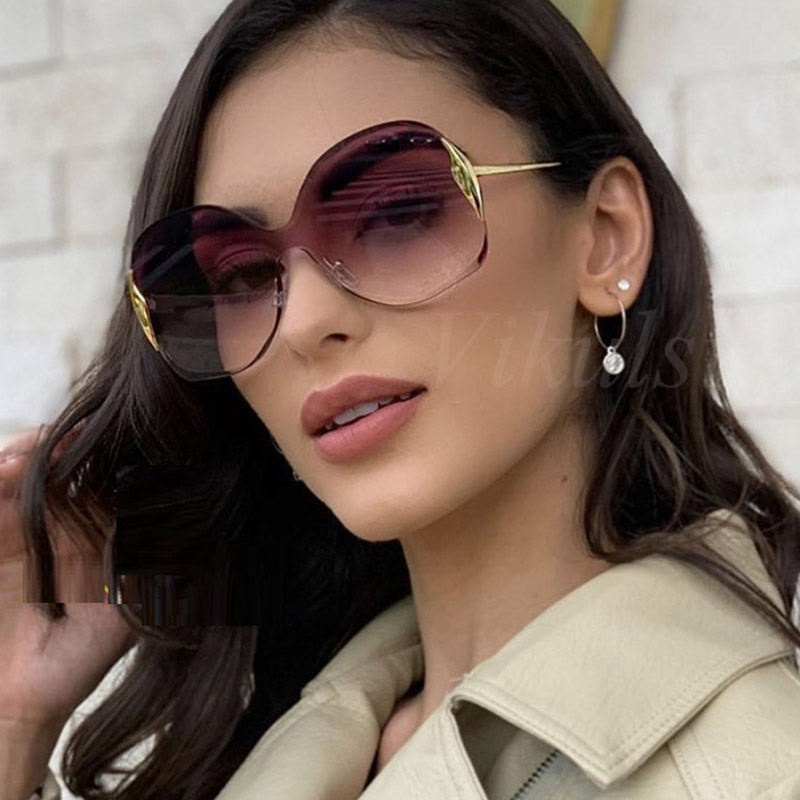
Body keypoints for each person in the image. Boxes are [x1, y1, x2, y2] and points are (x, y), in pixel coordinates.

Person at [1, 0, 800, 798]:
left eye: (394, 214)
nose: (302, 323)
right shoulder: (281, 739)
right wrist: (12, 725)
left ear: (605, 236)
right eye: (240, 275)